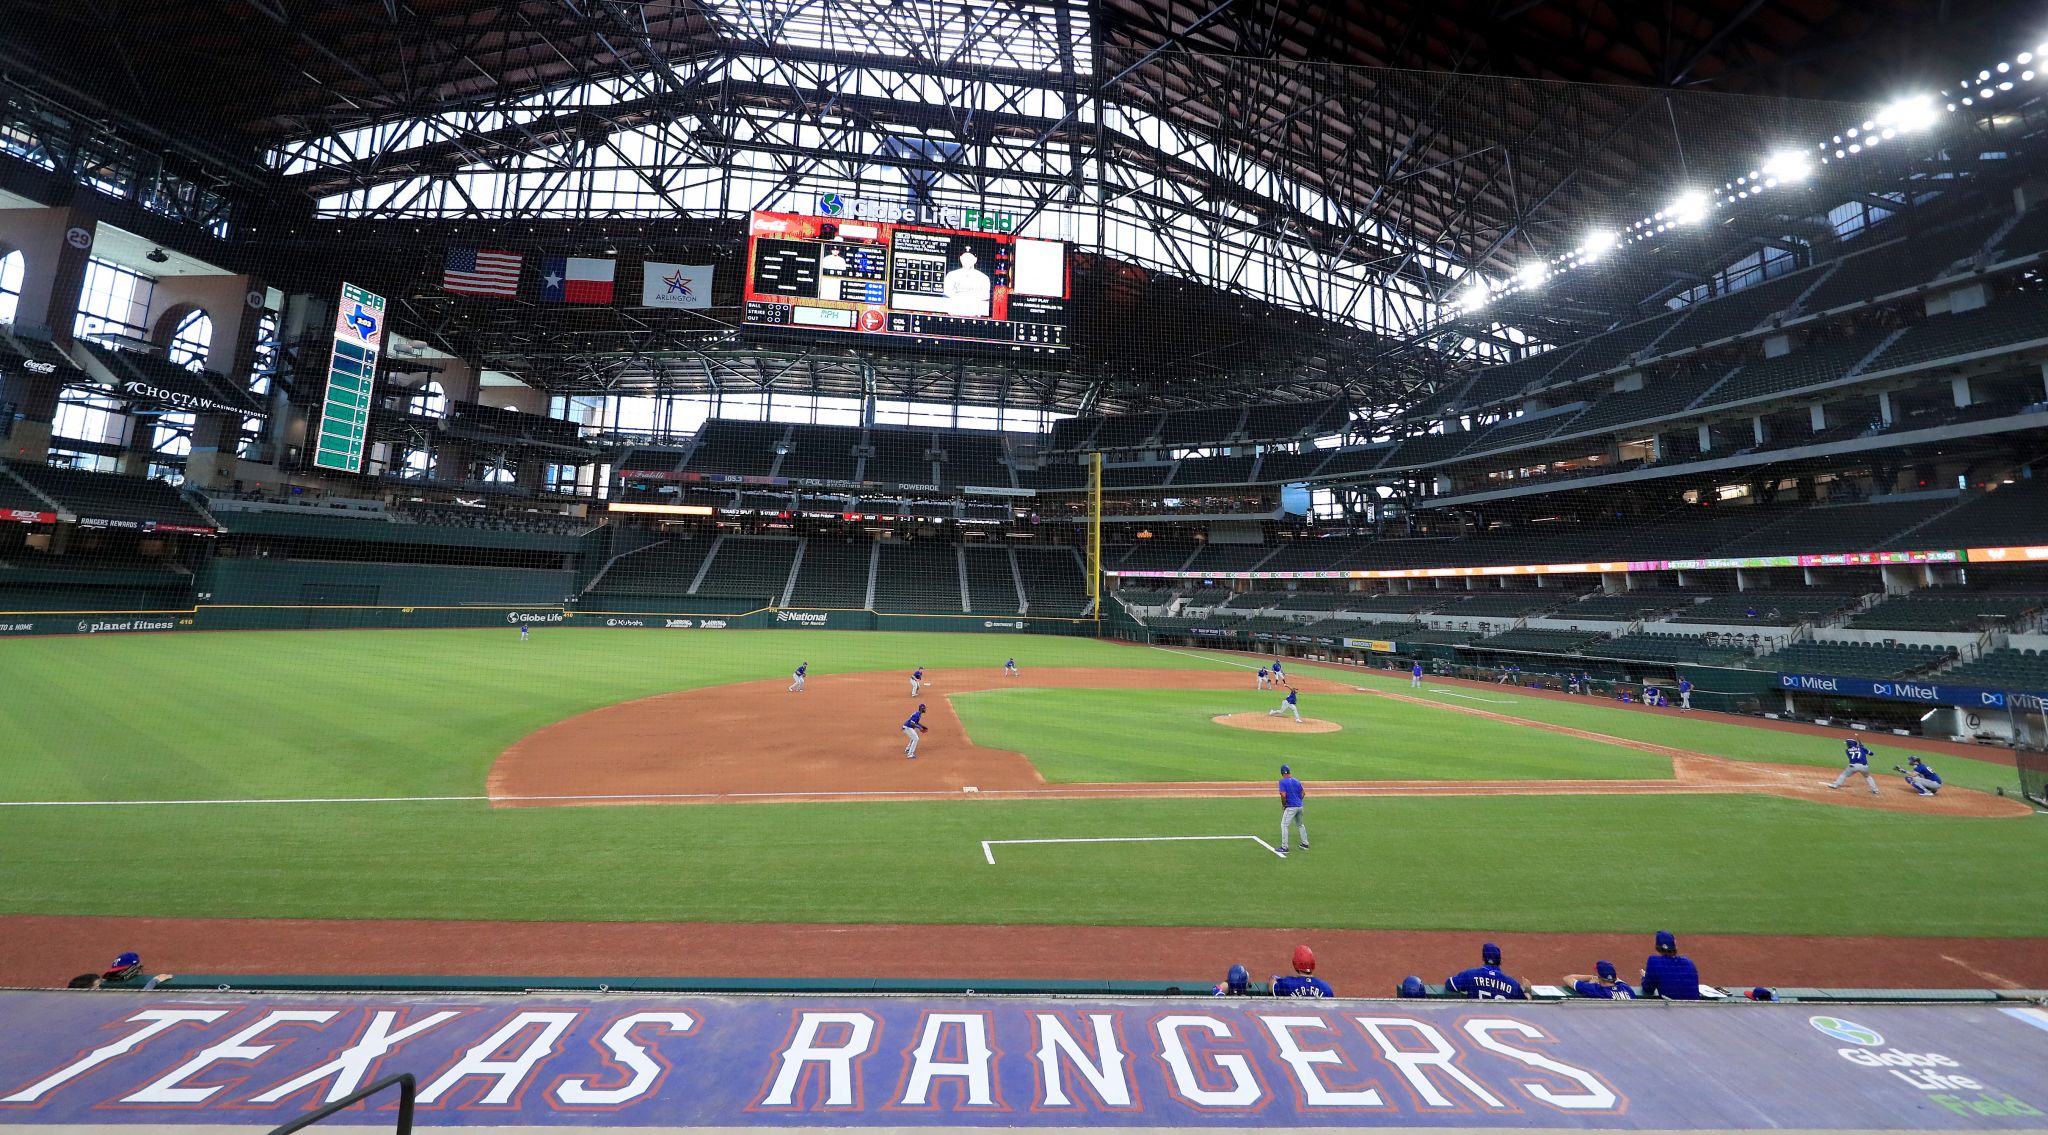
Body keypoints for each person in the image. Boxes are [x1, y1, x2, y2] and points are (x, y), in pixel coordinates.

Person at [1445, 942, 1528, 1000]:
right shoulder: (1512, 984)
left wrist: (1468, 987)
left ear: (1483, 958)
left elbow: (1449, 984)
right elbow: (1524, 1004)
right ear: (1500, 960)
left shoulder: (1470, 975)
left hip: (1476, 1019)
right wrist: (1528, 990)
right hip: (1500, 1023)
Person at [1640, 930, 1702, 999]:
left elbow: (1648, 989)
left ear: (1657, 947)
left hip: (1672, 1009)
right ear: (1675, 946)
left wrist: (1645, 977)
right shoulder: (1689, 963)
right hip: (1696, 1008)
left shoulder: (1654, 962)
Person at [943, 249, 992, 317]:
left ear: (975, 260)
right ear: (960, 259)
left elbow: (986, 296)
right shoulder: (951, 275)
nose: (967, 261)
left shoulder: (983, 278)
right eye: (964, 257)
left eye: (970, 258)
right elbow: (947, 294)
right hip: (954, 315)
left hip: (974, 316)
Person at [1276, 764, 1308, 857]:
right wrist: (1298, 801)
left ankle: (1284, 847)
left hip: (1291, 807)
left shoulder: (1282, 782)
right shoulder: (1297, 781)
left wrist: (1284, 805)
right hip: (1300, 806)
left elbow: (1283, 795)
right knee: (1300, 824)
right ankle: (1305, 844)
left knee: (1284, 825)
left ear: (1282, 773)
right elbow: (1303, 793)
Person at [1564, 960, 1636, 1000]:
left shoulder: (1596, 990)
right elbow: (1617, 979)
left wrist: (1591, 977)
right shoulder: (1626, 988)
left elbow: (1567, 978)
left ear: (1599, 978)